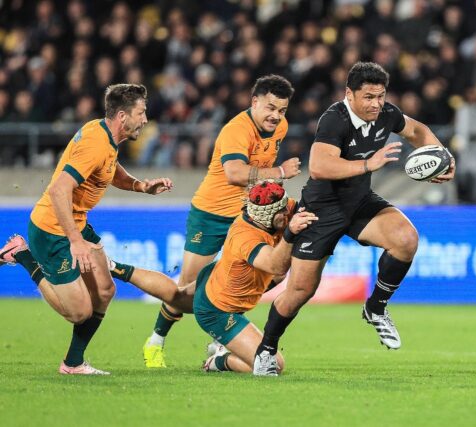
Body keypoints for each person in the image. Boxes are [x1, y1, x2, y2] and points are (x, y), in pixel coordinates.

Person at [252, 62, 456, 374]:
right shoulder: (335, 118)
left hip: (359, 203)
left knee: (405, 239)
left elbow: (417, 131)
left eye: (381, 96)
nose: (376, 104)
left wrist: (442, 156)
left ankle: (376, 307)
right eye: (369, 97)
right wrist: (367, 164)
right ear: (350, 94)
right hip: (320, 209)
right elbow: (320, 166)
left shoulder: (386, 113)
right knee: (300, 291)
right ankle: (265, 349)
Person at [0, 84, 173, 375]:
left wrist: (140, 186)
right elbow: (57, 191)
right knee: (78, 312)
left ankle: (73, 364)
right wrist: (75, 240)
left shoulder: (104, 135)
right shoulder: (95, 143)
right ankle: (22, 255)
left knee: (105, 290)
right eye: (141, 113)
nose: (145, 120)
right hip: (52, 230)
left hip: (75, 223)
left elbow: (109, 169)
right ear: (122, 115)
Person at [139, 74, 301, 368]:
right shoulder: (236, 130)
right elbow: (235, 173)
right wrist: (279, 172)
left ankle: (222, 335)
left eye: (282, 110)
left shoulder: (280, 128)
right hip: (211, 214)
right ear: (254, 102)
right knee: (185, 288)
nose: (276, 116)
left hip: (249, 217)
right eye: (270, 108)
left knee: (273, 273)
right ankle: (156, 341)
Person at [108, 181, 317, 375]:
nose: (286, 212)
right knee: (275, 365)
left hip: (216, 277)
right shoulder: (246, 236)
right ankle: (219, 361)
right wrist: (290, 233)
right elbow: (275, 264)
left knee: (176, 294)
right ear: (264, 216)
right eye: (281, 212)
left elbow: (293, 212)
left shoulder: (271, 209)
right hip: (218, 311)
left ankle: (115, 267)